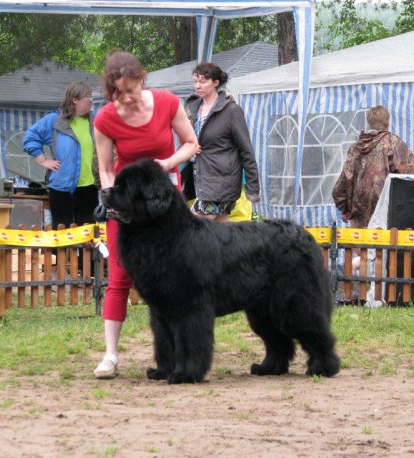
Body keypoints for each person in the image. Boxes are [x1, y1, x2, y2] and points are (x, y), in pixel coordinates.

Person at [92, 50, 198, 379]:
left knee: (175, 276)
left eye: (131, 90)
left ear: (143, 78)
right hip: (127, 205)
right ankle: (110, 355)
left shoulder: (167, 103)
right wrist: (115, 205)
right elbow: (107, 169)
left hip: (167, 203)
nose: (125, 98)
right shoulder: (105, 119)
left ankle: (181, 352)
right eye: (118, 93)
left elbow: (191, 143)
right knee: (121, 277)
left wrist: (167, 164)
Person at [183, 62, 260, 222]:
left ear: (216, 83)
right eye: (195, 81)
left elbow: (246, 150)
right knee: (219, 235)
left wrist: (252, 188)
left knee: (190, 228)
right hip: (200, 179)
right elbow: (186, 139)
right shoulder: (192, 108)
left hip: (221, 182)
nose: (197, 86)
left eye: (203, 82)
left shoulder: (232, 111)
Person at [23, 82, 99, 229]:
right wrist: (43, 160)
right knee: (62, 235)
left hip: (89, 187)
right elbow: (30, 138)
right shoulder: (55, 120)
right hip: (62, 188)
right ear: (75, 99)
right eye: (87, 97)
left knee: (88, 237)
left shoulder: (94, 121)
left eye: (91, 97)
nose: (91, 100)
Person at [332, 105, 414, 228]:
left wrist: (346, 209)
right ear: (387, 122)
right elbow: (412, 174)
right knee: (383, 247)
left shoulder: (355, 148)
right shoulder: (392, 143)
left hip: (359, 222)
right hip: (386, 218)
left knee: (361, 246)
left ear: (369, 122)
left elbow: (340, 187)